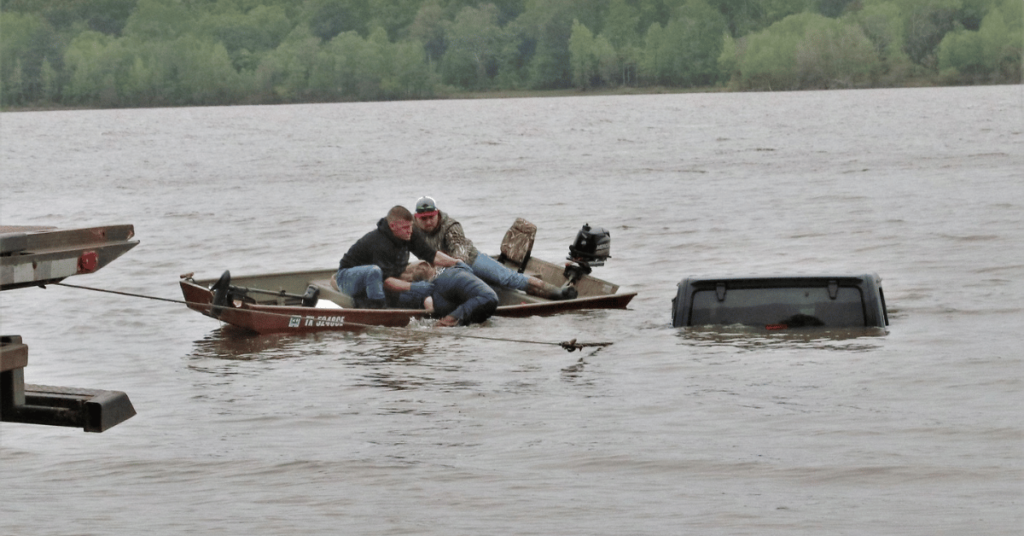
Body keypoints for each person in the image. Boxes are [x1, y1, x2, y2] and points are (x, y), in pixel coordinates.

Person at [411, 196, 577, 300]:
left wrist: (450, 271)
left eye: (431, 217)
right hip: (440, 269)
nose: (428, 222)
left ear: (437, 213)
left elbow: (460, 254)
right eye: (423, 219)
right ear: (416, 218)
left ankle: (556, 292)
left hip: (470, 260)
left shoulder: (451, 226)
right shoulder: (410, 229)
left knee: (508, 279)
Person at [336, 205, 458, 309]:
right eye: (405, 228)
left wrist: (457, 263)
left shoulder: (409, 233)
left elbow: (432, 255)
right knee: (374, 272)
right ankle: (378, 309)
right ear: (393, 226)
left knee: (422, 271)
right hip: (348, 278)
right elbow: (386, 281)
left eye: (411, 226)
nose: (410, 231)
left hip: (385, 277)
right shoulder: (378, 243)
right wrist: (413, 287)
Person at [402, 260, 499, 326]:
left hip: (483, 300)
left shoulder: (433, 286)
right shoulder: (458, 268)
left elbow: (430, 306)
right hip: (491, 298)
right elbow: (462, 263)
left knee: (439, 326)